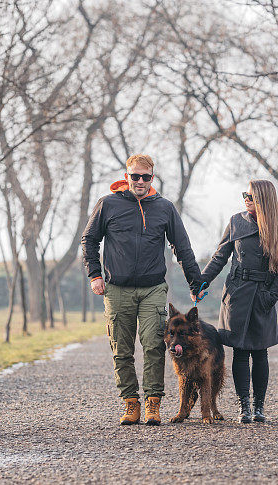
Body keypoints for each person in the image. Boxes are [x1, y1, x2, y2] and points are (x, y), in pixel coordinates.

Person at [81, 154, 203, 426]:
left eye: (145, 177)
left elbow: (182, 247)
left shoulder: (164, 208)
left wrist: (196, 283)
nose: (139, 181)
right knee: (121, 349)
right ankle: (130, 403)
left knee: (153, 346)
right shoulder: (107, 204)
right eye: (134, 176)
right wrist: (94, 274)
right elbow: (89, 239)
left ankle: (152, 403)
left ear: (152, 178)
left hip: (153, 289)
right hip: (116, 288)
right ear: (126, 176)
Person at [200, 179, 278, 424]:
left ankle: (259, 407)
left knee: (260, 353)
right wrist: (201, 282)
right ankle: (244, 407)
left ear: (263, 199)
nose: (246, 199)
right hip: (237, 294)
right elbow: (220, 256)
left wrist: (271, 296)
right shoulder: (236, 222)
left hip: (263, 296)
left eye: (250, 196)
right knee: (240, 352)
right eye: (245, 195)